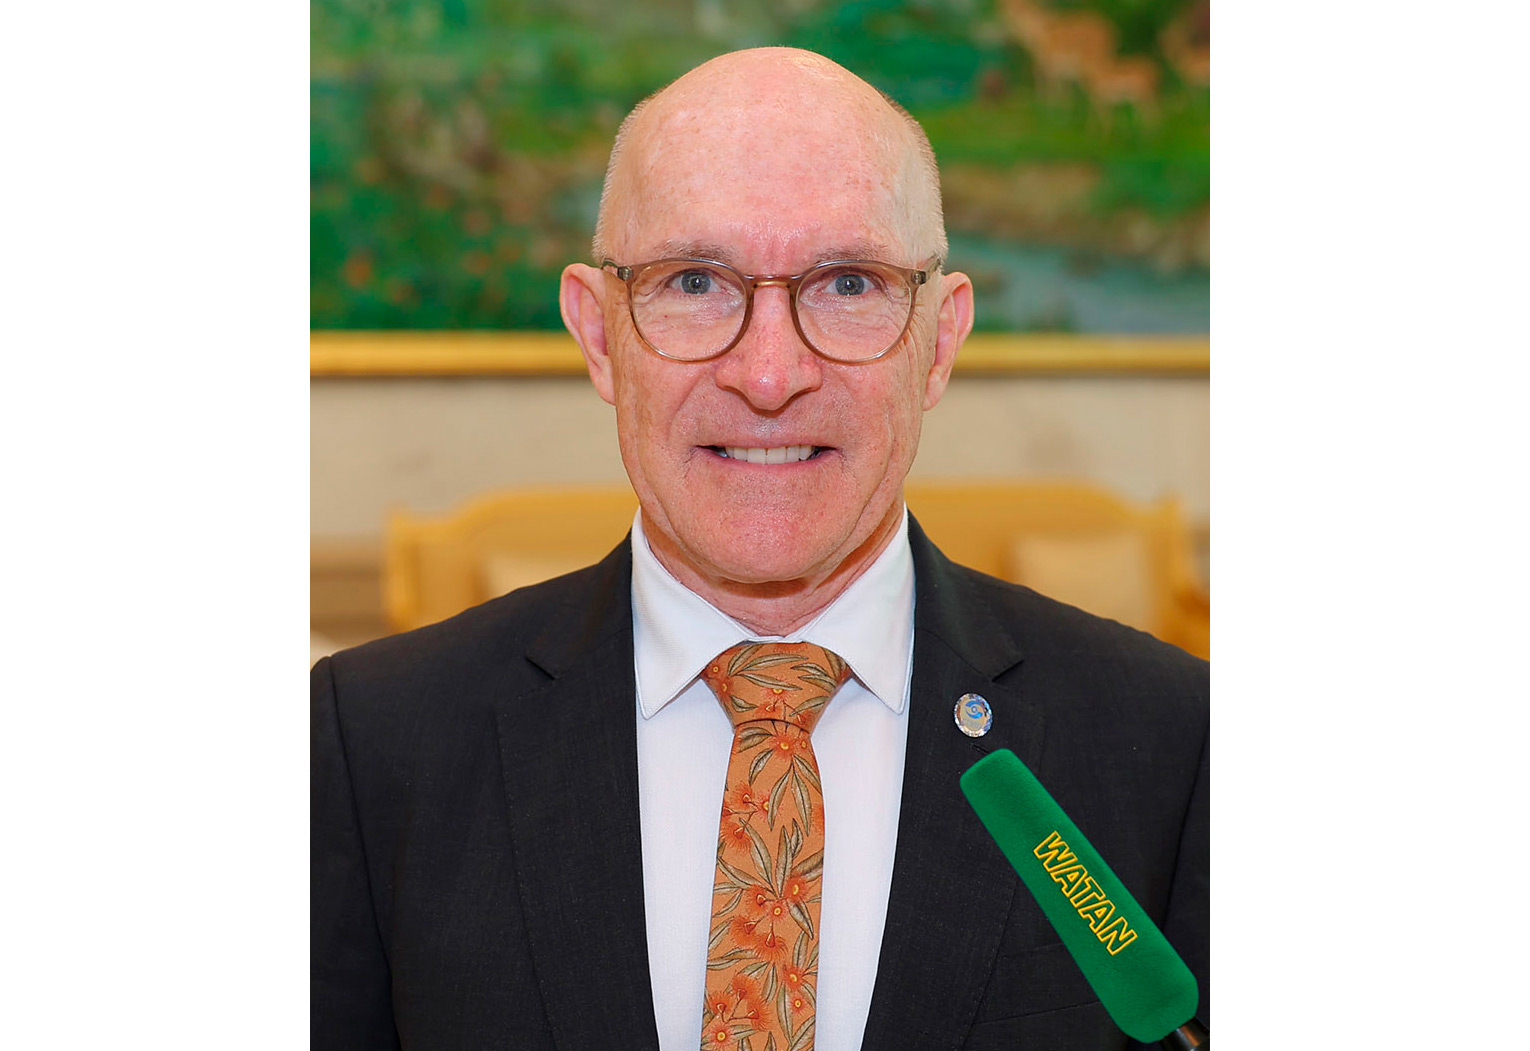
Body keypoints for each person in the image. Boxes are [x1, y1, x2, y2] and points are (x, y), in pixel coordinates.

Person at [312, 47, 1207, 1051]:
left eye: (848, 283)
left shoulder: (1175, 746)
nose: (770, 373)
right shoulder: (369, 744)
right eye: (694, 281)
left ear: (940, 340)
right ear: (599, 335)